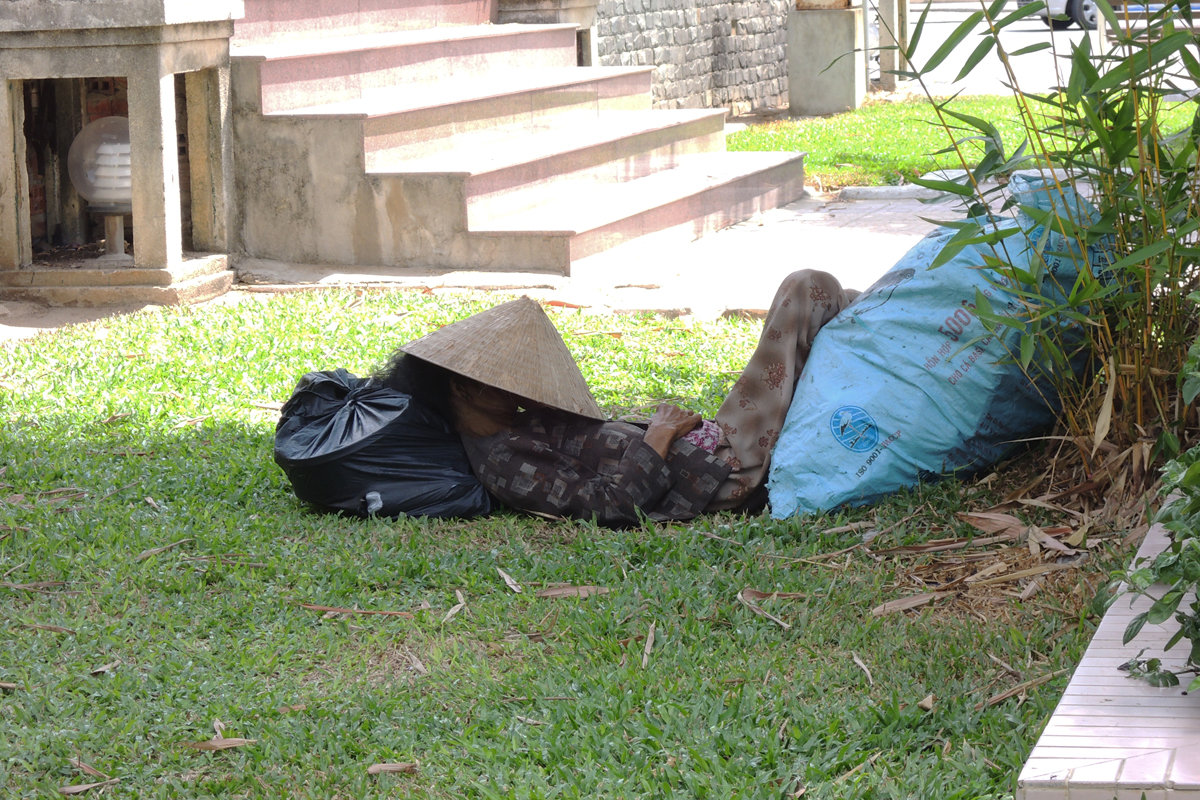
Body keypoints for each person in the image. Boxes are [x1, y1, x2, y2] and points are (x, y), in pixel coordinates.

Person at [384, 270, 854, 527]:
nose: (519, 389)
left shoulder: (514, 423)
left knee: (840, 305)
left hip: (713, 447)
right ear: (465, 388)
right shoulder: (504, 461)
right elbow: (612, 505)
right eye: (505, 381)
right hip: (724, 477)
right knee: (806, 290)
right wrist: (660, 435)